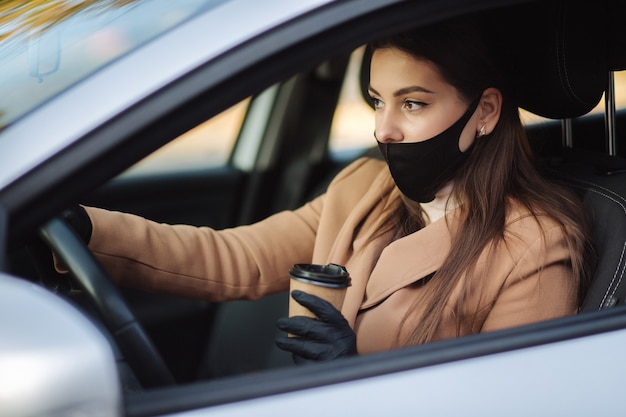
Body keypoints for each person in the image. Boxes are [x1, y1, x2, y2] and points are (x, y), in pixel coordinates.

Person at [61, 18, 594, 363]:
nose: (383, 129)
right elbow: (237, 258)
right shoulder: (366, 187)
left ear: (485, 112)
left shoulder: (534, 245)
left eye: (412, 104)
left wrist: (356, 370)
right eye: (376, 101)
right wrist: (85, 230)